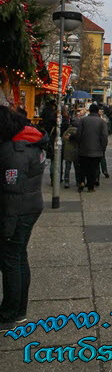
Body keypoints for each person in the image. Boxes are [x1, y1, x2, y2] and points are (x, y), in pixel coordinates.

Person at [0, 106, 47, 331]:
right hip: (29, 205)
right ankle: (18, 310)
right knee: (18, 257)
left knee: (11, 260)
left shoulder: (14, 151)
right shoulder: (28, 143)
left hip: (18, 210)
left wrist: (6, 227)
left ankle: (11, 313)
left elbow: (12, 192)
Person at [76, 103, 108, 192]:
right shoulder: (102, 122)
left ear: (89, 110)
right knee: (93, 168)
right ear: (98, 111)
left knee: (82, 166)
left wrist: (80, 144)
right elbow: (104, 136)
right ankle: (91, 186)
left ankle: (82, 181)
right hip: (97, 150)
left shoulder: (83, 120)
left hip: (83, 149)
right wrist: (103, 147)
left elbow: (78, 134)